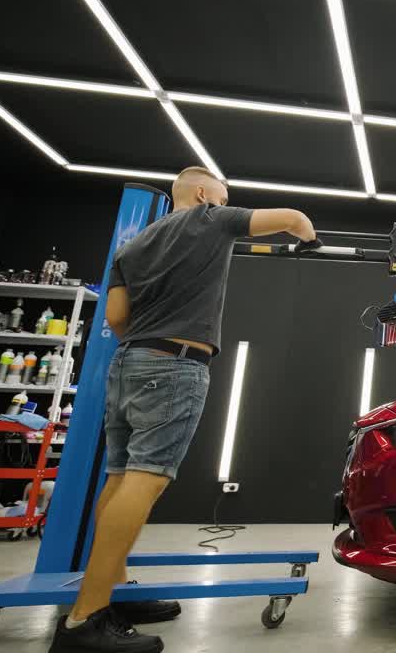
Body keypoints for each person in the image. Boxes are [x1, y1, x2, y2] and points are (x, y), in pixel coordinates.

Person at [49, 166, 320, 653]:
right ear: (202, 192)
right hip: (175, 364)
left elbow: (114, 317)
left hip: (129, 361)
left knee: (119, 477)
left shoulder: (131, 247)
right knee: (147, 477)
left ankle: (114, 593)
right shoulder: (211, 219)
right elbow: (295, 219)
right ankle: (83, 621)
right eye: (224, 193)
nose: (227, 200)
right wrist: (309, 241)